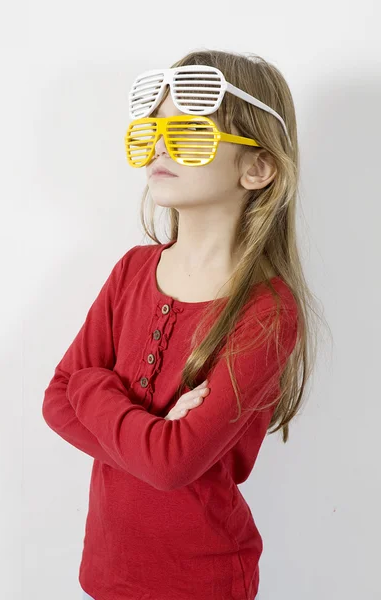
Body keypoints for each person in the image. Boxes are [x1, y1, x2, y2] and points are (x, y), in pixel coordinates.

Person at [42, 48, 321, 600]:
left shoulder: (268, 311)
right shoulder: (132, 270)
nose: (162, 147)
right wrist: (152, 431)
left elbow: (171, 466)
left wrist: (93, 387)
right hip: (106, 571)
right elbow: (55, 401)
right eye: (153, 132)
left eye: (191, 134)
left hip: (203, 581)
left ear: (257, 167)